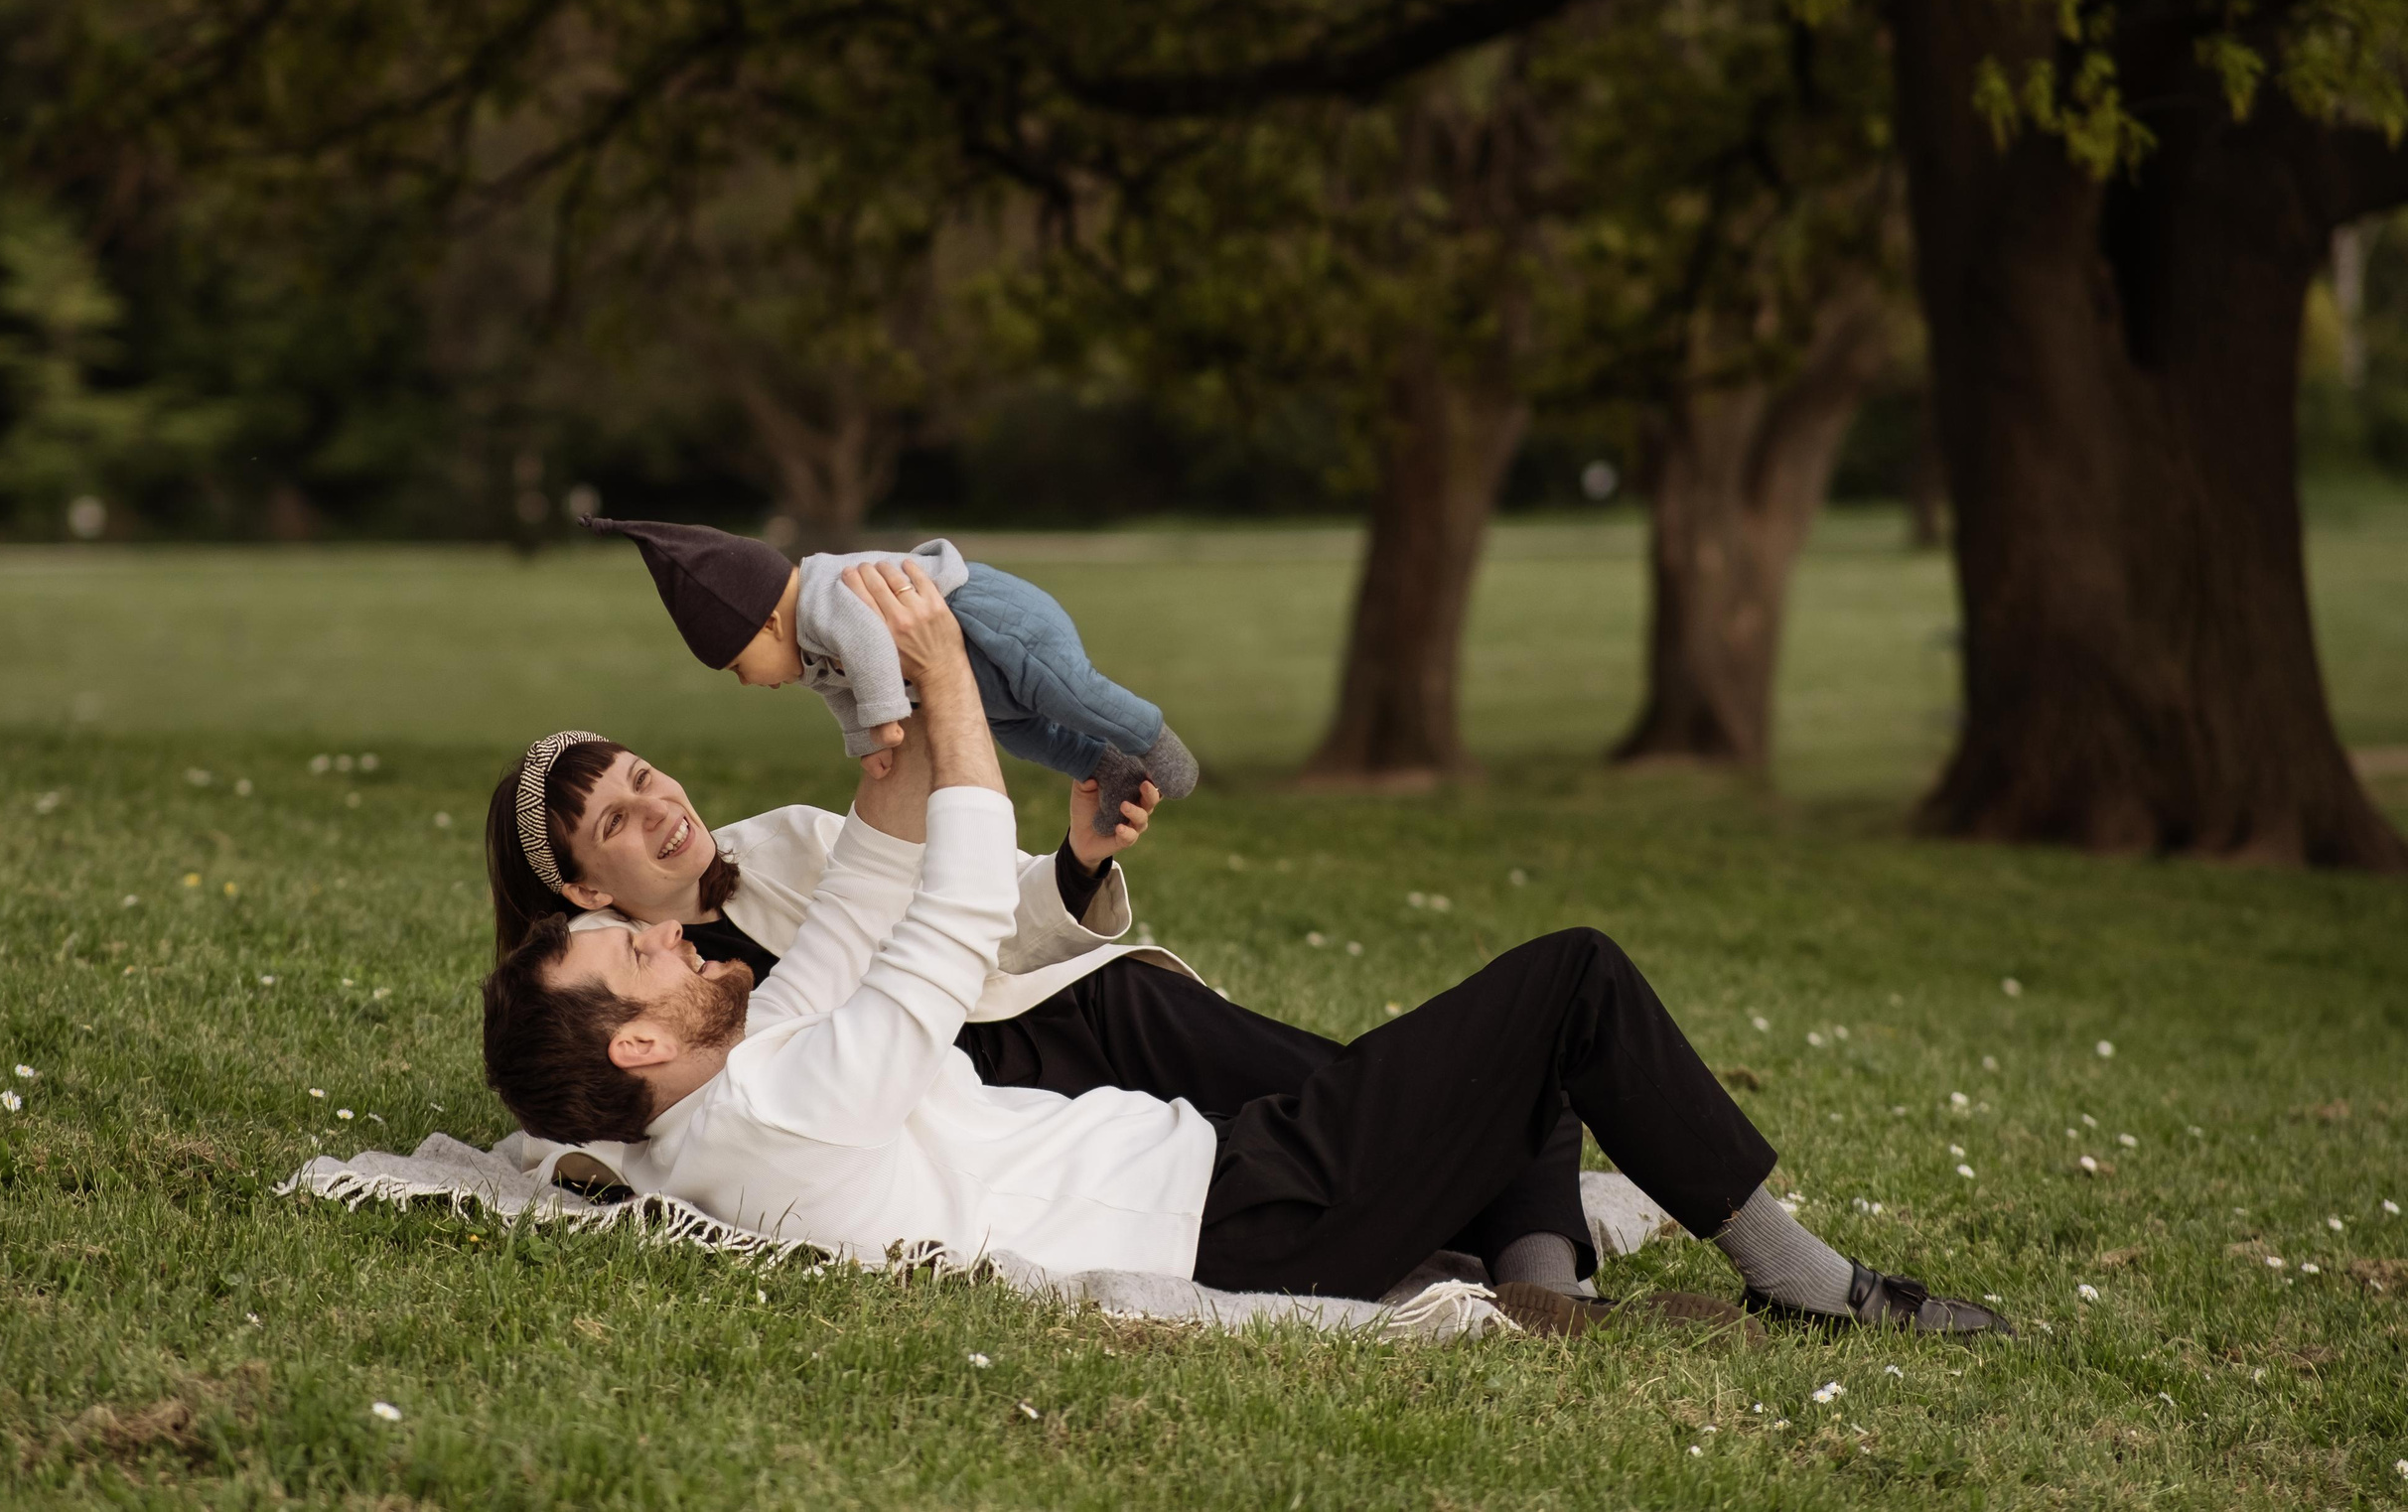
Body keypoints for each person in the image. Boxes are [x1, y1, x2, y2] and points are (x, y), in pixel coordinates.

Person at [484, 562, 2008, 1336]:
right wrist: (948, 672)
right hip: (1238, 1216)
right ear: (634, 1043)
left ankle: (1548, 1276)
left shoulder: (732, 1078)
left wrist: (869, 681)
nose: (652, 939)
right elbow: (941, 919)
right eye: (628, 956)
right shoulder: (770, 1108)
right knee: (1570, 980)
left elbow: (881, 869)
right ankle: (1805, 1286)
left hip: (1225, 1173)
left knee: (1490, 1058)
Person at [483, 725, 1626, 1328]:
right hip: (977, 1104)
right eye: (618, 823)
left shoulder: (778, 854)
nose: (660, 810)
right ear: (586, 891)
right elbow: (583, 1123)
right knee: (1484, 1076)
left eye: (646, 778)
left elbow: (921, 894)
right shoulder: (633, 1044)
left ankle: (1525, 1257)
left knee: (1414, 1084)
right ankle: (1538, 1279)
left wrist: (1073, 859)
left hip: (1054, 1030)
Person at [580, 514, 1196, 831]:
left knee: (1065, 692)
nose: (753, 684)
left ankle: (1152, 741)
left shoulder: (824, 595)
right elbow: (841, 693)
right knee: (1021, 730)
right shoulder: (810, 658)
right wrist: (865, 741)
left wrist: (885, 718)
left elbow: (868, 640)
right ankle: (1103, 766)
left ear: (765, 624)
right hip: (964, 672)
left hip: (990, 618)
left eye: (741, 667)